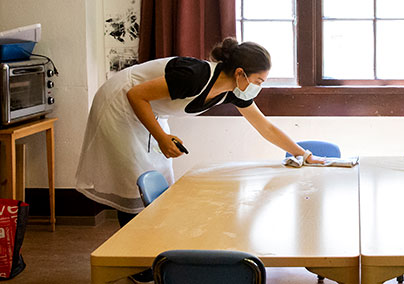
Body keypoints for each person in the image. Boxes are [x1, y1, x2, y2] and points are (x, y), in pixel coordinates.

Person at [75, 38, 322, 222]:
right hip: (119, 102)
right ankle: (132, 259)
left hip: (148, 107)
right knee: (133, 179)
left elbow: (264, 126)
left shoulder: (234, 91)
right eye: (258, 81)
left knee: (160, 173)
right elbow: (135, 94)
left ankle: (151, 247)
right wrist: (161, 137)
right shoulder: (195, 75)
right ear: (240, 74)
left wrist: (303, 154)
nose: (258, 87)